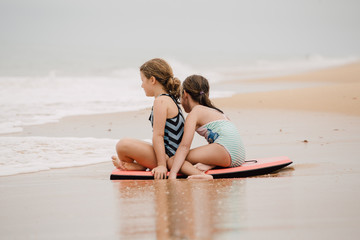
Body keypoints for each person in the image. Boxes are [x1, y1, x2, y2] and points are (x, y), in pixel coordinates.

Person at [112, 58, 185, 179]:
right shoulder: (169, 99)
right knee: (127, 143)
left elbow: (158, 136)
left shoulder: (160, 101)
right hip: (172, 154)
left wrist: (162, 165)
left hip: (169, 158)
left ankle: (141, 166)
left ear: (152, 80)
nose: (141, 85)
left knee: (122, 145)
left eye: (142, 80)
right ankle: (139, 166)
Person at [167, 75, 246, 179]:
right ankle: (211, 165)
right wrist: (210, 163)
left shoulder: (195, 112)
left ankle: (200, 175)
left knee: (173, 160)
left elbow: (184, 147)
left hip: (226, 151)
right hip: (239, 155)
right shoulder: (216, 111)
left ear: (185, 94)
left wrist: (173, 173)